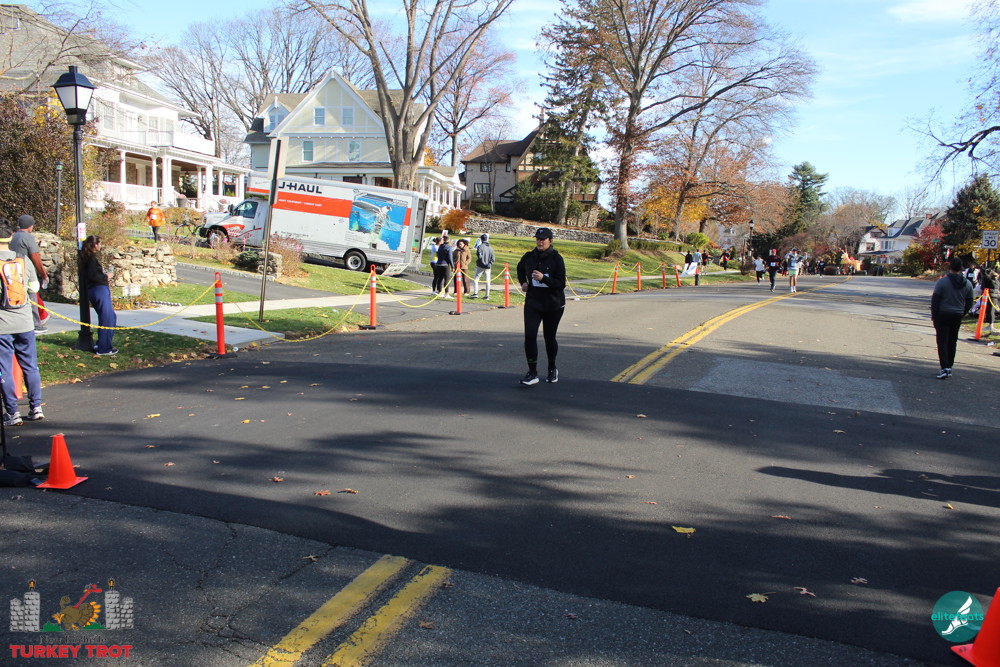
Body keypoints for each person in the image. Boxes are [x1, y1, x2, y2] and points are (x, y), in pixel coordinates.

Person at [0, 220, 44, 425]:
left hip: (3, 325)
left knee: (5, 369)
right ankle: (36, 407)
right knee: (30, 366)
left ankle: (12, 412)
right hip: (25, 322)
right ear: (11, 237)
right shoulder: (22, 259)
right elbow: (34, 288)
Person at [517, 227, 566, 385]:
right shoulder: (529, 256)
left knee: (549, 337)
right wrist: (523, 282)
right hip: (533, 302)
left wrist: (543, 279)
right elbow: (520, 269)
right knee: (530, 335)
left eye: (543, 239)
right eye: (538, 239)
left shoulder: (556, 258)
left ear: (550, 241)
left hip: (553, 304)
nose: (539, 242)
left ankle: (552, 368)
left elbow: (561, 283)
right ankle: (532, 372)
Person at [931, 257, 974, 379]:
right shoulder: (967, 284)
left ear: (950, 267)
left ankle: (944, 367)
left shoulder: (942, 282)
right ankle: (949, 365)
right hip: (957, 315)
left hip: (943, 314)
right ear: (961, 269)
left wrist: (934, 316)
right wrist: (963, 312)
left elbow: (935, 300)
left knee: (942, 341)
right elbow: (969, 302)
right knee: (952, 341)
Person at [9, 215, 49, 333]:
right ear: (30, 226)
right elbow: (35, 256)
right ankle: (36, 324)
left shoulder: (12, 236)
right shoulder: (28, 238)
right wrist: (43, 274)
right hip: (25, 271)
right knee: (32, 295)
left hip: (11, 271)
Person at [81, 235, 119, 356]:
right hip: (99, 289)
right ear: (95, 244)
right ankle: (104, 348)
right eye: (99, 243)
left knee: (109, 316)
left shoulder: (86, 257)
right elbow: (93, 276)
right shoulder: (91, 258)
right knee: (107, 318)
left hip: (94, 290)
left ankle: (101, 343)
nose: (100, 246)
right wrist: (106, 276)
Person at [472, 234, 495, 299]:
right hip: (488, 266)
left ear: (481, 239)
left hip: (480, 265)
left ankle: (476, 293)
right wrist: (490, 263)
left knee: (476, 279)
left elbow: (480, 256)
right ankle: (487, 295)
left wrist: (482, 262)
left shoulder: (480, 247)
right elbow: (493, 258)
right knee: (487, 281)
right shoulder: (491, 247)